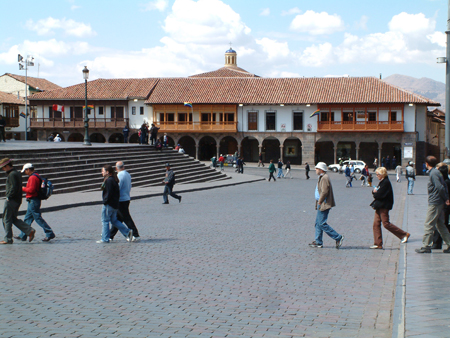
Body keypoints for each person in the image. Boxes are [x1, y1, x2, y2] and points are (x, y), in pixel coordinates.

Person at [415, 156, 450, 253]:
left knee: (428, 224)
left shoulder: (434, 173)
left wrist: (446, 198)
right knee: (440, 225)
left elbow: (440, 187)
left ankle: (426, 245)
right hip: (438, 201)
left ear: (426, 163)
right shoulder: (436, 172)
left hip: (435, 202)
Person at [369, 167, 410, 249]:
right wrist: (375, 192)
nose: (377, 176)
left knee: (386, 224)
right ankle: (378, 243)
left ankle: (404, 234)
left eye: (378, 174)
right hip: (379, 206)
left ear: (382, 174)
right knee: (376, 224)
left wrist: (374, 192)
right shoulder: (382, 182)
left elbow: (379, 195)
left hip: (384, 206)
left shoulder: (385, 183)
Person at [16, 163, 56, 242]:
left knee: (38, 218)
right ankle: (23, 235)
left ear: (28, 170)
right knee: (28, 218)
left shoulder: (33, 177)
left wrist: (22, 188)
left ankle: (49, 233)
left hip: (33, 200)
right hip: (33, 200)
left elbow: (31, 190)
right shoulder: (36, 175)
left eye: (25, 171)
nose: (25, 173)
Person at [309, 162, 344, 249]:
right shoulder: (322, 177)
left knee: (321, 223)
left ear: (321, 170)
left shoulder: (324, 178)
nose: (315, 170)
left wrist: (320, 201)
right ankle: (318, 242)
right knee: (318, 223)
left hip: (324, 203)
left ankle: (338, 237)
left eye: (316, 168)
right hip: (321, 203)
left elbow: (324, 191)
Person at [0, 158, 36, 244]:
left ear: (7, 166)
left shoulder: (12, 174)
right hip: (17, 199)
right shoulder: (16, 173)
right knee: (12, 218)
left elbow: (14, 187)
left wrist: (9, 196)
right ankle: (29, 230)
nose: (2, 170)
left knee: (6, 219)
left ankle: (8, 239)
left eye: (3, 168)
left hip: (12, 200)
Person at [97, 165, 133, 243]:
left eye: (103, 171)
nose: (101, 172)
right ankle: (127, 232)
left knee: (105, 221)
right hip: (115, 204)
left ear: (107, 172)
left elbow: (109, 193)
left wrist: (105, 202)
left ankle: (105, 238)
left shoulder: (109, 181)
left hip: (109, 204)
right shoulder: (114, 179)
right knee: (114, 220)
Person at [109, 161, 140, 242]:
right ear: (123, 166)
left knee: (126, 217)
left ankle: (135, 234)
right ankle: (110, 235)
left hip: (121, 200)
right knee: (118, 219)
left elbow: (117, 188)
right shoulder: (127, 174)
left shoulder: (120, 175)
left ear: (116, 168)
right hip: (126, 197)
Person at [432, 163, 450, 249]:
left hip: (444, 206)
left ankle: (437, 243)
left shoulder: (445, 182)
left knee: (441, 224)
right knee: (442, 224)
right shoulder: (447, 181)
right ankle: (437, 243)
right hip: (445, 205)